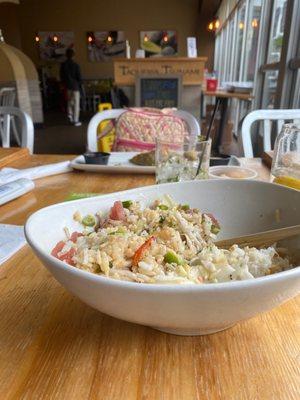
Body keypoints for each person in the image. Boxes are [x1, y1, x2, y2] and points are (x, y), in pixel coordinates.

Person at [60, 48, 82, 126]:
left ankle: (70, 114)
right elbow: (79, 77)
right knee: (76, 103)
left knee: (69, 101)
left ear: (66, 55)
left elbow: (61, 76)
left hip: (67, 86)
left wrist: (64, 84)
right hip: (75, 86)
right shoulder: (76, 65)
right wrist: (79, 83)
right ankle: (76, 120)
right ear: (73, 55)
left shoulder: (63, 65)